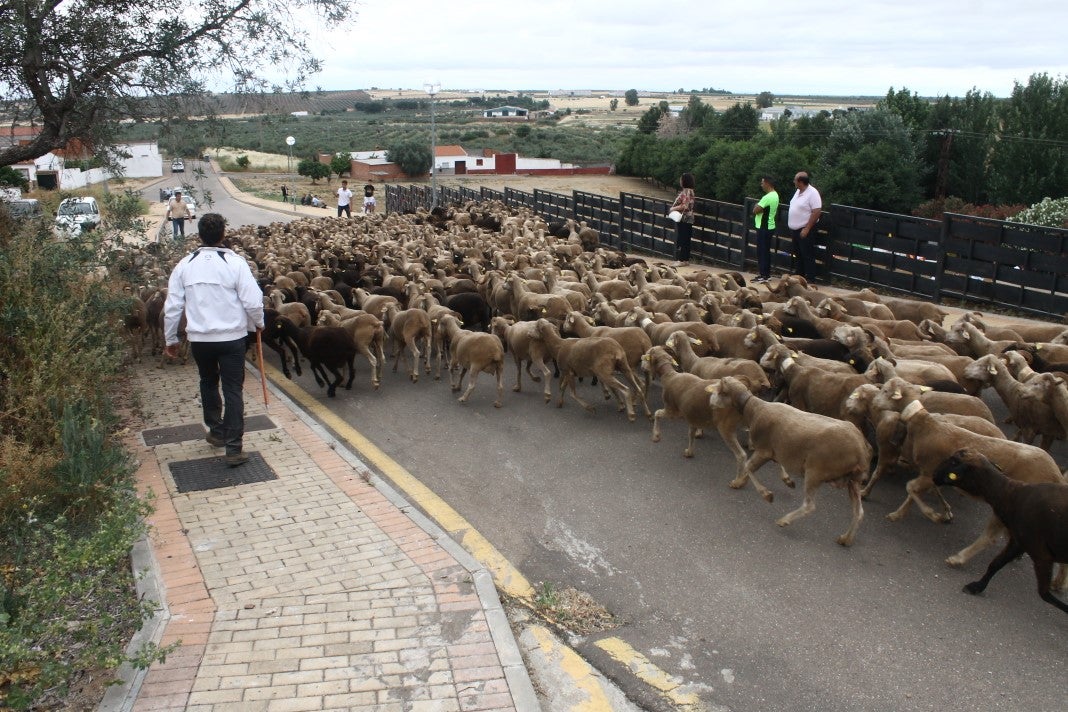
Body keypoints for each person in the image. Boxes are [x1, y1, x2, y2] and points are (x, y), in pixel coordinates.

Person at [163, 213, 265, 467]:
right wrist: (259, 323)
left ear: (199, 235)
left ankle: (216, 430)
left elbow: (173, 305)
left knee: (208, 381)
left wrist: (171, 338)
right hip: (231, 338)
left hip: (200, 339)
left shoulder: (185, 265)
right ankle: (234, 448)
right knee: (233, 389)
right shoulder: (234, 263)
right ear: (223, 235)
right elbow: (252, 300)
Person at [788, 171, 822, 284]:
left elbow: (816, 211)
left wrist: (807, 228)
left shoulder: (812, 193)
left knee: (807, 255)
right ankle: (799, 277)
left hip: (805, 229)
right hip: (795, 229)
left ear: (801, 182)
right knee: (798, 254)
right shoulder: (798, 191)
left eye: (795, 180)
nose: (793, 182)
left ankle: (810, 279)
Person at [752, 175, 780, 283]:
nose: (761, 184)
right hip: (769, 226)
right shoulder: (775, 195)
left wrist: (756, 206)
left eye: (763, 182)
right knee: (765, 251)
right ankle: (765, 274)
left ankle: (764, 275)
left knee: (762, 251)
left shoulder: (767, 197)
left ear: (768, 183)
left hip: (764, 227)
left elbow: (756, 210)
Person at [668, 173, 696, 265]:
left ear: (685, 181)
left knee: (682, 238)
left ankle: (681, 260)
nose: (680, 181)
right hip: (689, 218)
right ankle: (685, 260)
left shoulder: (686, 191)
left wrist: (673, 209)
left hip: (684, 218)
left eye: (681, 179)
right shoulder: (690, 191)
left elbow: (685, 205)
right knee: (686, 239)